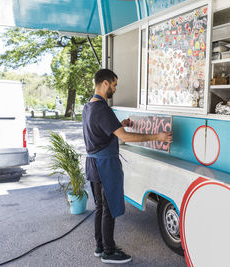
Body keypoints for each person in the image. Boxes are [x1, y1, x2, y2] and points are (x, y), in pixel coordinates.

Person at [82, 69, 173, 264]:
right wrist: (157, 136)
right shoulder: (103, 109)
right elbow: (125, 137)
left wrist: (119, 124)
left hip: (92, 164)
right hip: (105, 165)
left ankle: (100, 246)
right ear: (105, 83)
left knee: (100, 207)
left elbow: (103, 130)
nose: (115, 88)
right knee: (108, 208)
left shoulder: (88, 106)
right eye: (114, 85)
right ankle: (108, 251)